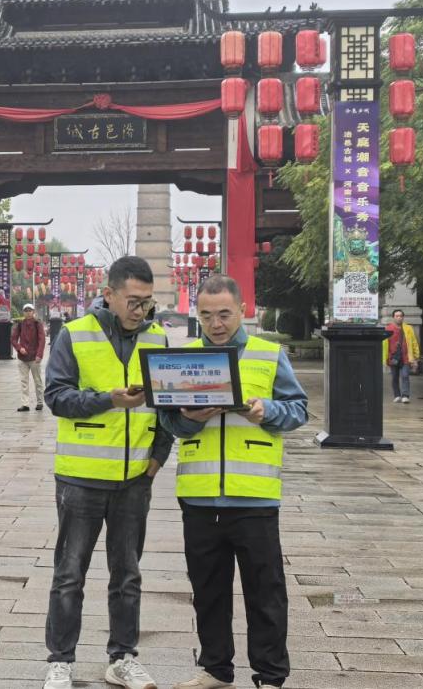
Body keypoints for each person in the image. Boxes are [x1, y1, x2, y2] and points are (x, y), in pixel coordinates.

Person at [159, 274, 308, 689]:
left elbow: (298, 410)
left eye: (224, 314)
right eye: (207, 315)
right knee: (207, 590)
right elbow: (168, 421)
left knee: (265, 591)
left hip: (254, 495)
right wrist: (190, 419)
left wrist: (266, 411)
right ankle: (215, 669)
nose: (216, 323)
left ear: (242, 310)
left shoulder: (268, 355)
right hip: (200, 496)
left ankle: (270, 675)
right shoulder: (183, 359)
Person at [42, 255, 171, 689]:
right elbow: (57, 397)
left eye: (147, 301)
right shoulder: (75, 335)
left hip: (135, 479)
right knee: (69, 574)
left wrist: (158, 457)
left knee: (127, 574)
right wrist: (109, 400)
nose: (141, 310)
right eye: (133, 301)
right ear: (108, 294)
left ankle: (123, 657)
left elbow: (168, 404)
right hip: (81, 477)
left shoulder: (158, 338)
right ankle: (61, 661)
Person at [11, 302, 46, 412]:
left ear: (33, 312)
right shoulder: (20, 324)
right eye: (26, 311)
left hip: (35, 358)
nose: (28, 312)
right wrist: (19, 348)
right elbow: (13, 339)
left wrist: (39, 354)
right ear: (23, 312)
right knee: (24, 381)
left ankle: (40, 402)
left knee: (38, 381)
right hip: (22, 358)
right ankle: (25, 404)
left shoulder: (37, 324)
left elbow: (42, 340)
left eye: (30, 310)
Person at [383, 308, 419, 404]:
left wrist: (416, 356)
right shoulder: (388, 329)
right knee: (394, 377)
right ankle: (397, 395)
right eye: (397, 316)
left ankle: (405, 395)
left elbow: (414, 342)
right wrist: (385, 358)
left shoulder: (408, 328)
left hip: (406, 357)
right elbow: (384, 345)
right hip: (393, 357)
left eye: (401, 316)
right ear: (393, 317)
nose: (399, 318)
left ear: (403, 317)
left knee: (405, 376)